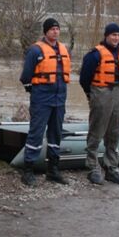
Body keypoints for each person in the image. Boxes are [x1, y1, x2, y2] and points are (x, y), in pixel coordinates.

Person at [18, 17, 70, 186]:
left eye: (57, 29)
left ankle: (53, 170)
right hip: (42, 99)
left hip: (59, 99)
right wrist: (35, 91)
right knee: (36, 134)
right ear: (45, 31)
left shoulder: (63, 49)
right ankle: (28, 170)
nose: (55, 31)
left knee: (56, 134)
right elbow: (25, 77)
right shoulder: (35, 50)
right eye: (52, 29)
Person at [79, 22, 119, 185]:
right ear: (106, 36)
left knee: (114, 133)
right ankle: (93, 168)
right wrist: (92, 94)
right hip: (101, 93)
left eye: (118, 35)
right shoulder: (94, 55)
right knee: (96, 131)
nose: (116, 38)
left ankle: (111, 168)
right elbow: (84, 78)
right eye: (112, 35)